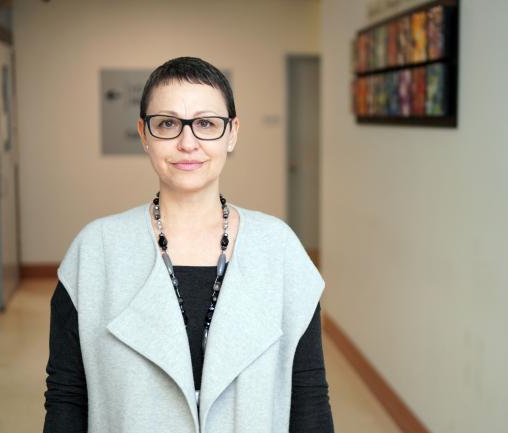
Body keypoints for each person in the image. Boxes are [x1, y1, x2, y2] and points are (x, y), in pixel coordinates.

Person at [43, 56, 335, 433]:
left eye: (206, 124)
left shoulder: (279, 249)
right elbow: (67, 398)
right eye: (167, 123)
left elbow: (309, 397)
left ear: (232, 133)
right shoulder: (95, 251)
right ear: (144, 134)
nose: (187, 142)